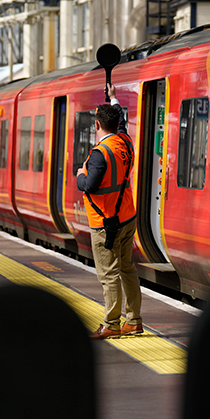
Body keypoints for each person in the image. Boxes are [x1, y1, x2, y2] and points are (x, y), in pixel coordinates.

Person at [77, 83, 143, 339]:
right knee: (127, 268)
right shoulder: (124, 141)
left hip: (105, 222)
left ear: (96, 125)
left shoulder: (98, 154)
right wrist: (114, 99)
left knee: (108, 274)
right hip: (127, 216)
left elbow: (90, 186)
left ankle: (112, 324)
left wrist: (80, 176)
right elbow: (122, 121)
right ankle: (134, 320)